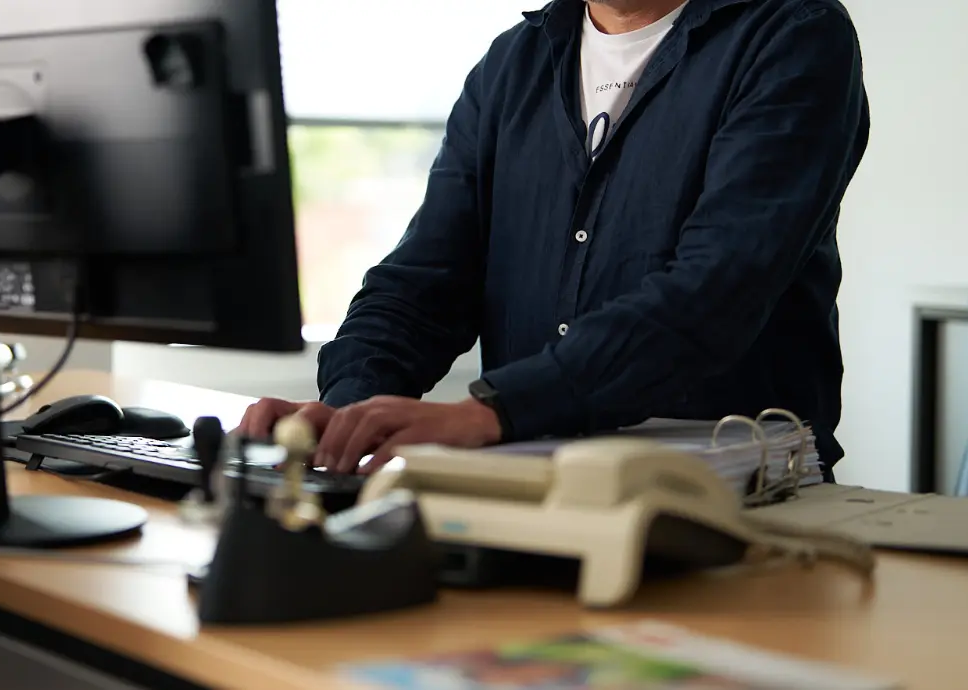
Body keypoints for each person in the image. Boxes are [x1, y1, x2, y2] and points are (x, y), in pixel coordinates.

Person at [239, 0, 868, 476]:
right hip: (538, 489)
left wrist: (492, 412)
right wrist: (353, 412)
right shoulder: (512, 64)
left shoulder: (794, 35)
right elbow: (420, 287)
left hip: (737, 500)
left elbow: (714, 292)